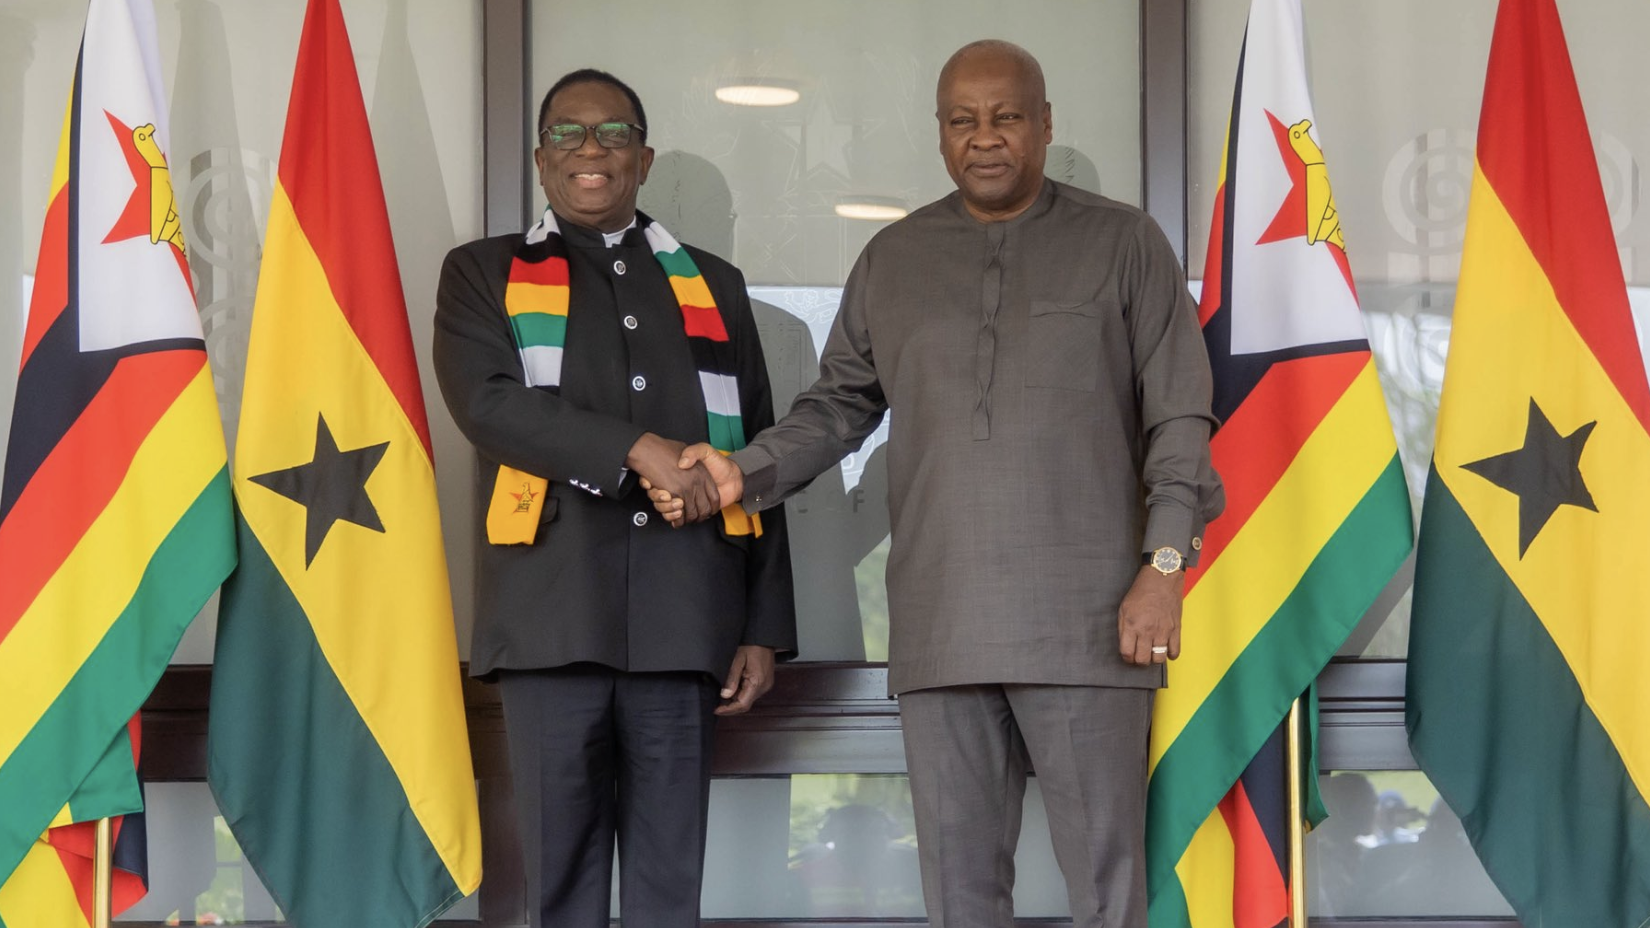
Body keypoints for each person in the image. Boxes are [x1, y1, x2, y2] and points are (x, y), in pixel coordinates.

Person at [653, 40, 1222, 928]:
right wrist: (742, 471)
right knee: (959, 897)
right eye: (963, 120)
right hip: (942, 625)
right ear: (941, 133)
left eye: (1005, 117)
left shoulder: (1124, 243)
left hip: (1090, 625)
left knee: (1108, 891)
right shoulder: (895, 257)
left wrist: (1164, 566)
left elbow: (1180, 417)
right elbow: (836, 408)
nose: (984, 137)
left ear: (1044, 124)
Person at [432, 68, 795, 928]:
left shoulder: (715, 284)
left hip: (685, 618)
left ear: (643, 158)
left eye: (612, 133)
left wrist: (761, 625)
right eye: (567, 133)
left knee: (671, 887)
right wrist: (638, 450)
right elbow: (489, 406)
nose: (589, 150)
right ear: (540, 158)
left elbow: (757, 457)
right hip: (551, 620)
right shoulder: (483, 273)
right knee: (560, 886)